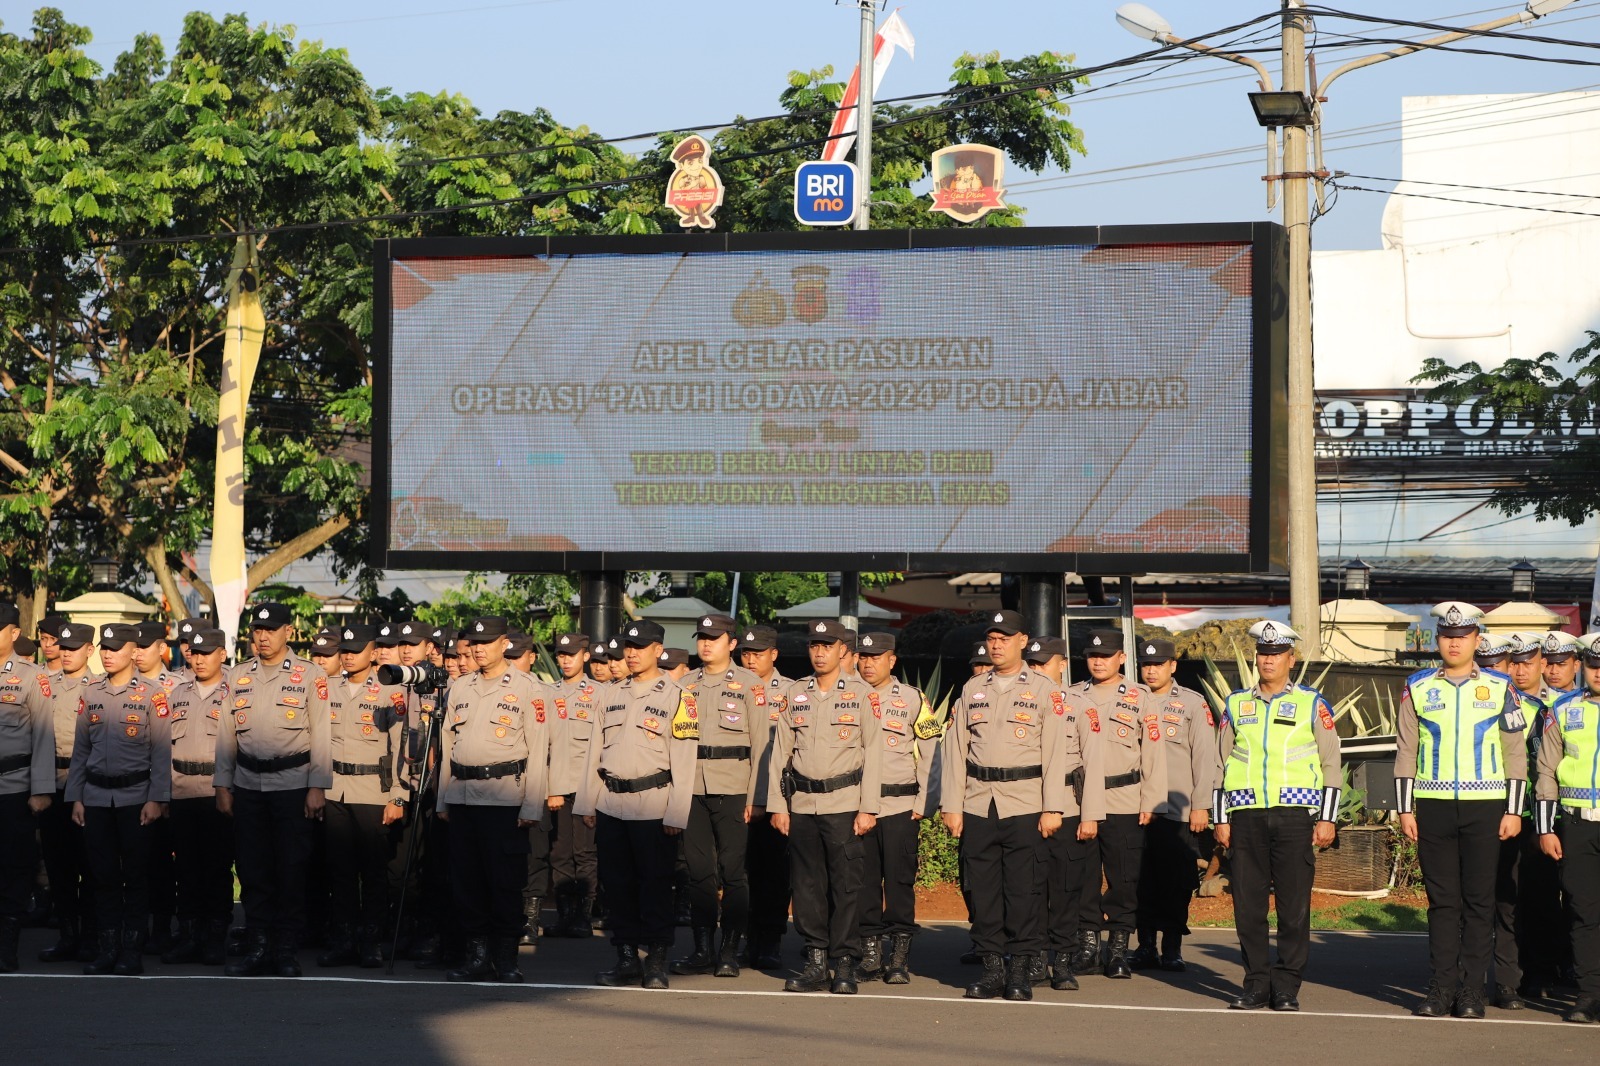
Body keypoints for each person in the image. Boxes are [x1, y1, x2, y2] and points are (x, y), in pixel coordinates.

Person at [1394, 602, 1528, 1019]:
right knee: (1441, 902)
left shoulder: (1502, 687)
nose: (1454, 642)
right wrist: (1404, 809)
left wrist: (1513, 810)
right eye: (1448, 636)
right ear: (1438, 640)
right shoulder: (1416, 686)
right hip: (1432, 805)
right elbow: (1405, 751)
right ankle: (1441, 988)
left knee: (1478, 901)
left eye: (1463, 635)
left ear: (1476, 640)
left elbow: (1515, 753)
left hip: (1486, 806)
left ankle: (1472, 991)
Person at [943, 611, 1079, 1000]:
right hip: (978, 802)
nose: (997, 644)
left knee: (1024, 892)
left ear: (1023, 640)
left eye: (1005, 637)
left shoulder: (1043, 689)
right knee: (983, 892)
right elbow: (956, 751)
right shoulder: (972, 689)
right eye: (992, 637)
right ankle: (991, 970)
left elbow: (1055, 754)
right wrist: (952, 804)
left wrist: (1054, 807)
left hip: (1025, 804)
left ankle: (1019, 971)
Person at [1214, 621, 1341, 1011]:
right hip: (1246, 816)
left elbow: (1331, 762)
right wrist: (1221, 818)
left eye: (1276, 653)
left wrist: (1328, 818)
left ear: (1291, 658)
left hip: (1295, 816)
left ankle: (1286, 986)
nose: (1268, 659)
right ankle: (1255, 984)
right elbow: (1219, 764)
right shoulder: (1236, 703)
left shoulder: (1311, 702)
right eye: (1263, 653)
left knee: (1293, 907)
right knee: (1248, 908)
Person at [575, 619, 697, 990]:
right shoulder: (609, 694)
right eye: (628, 645)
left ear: (658, 651)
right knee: (618, 885)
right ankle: (626, 958)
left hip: (654, 806)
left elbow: (685, 758)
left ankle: (656, 960)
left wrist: (677, 812)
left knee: (655, 886)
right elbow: (594, 750)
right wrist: (587, 802)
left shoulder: (678, 696)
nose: (631, 652)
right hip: (612, 803)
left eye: (640, 647)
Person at [214, 601, 333, 978]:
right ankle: (258, 946)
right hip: (248, 785)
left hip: (292, 785)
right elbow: (226, 736)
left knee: (291, 868)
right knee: (252, 869)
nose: (262, 637)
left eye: (271, 629)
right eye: (257, 630)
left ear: (288, 632)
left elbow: (322, 735)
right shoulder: (236, 676)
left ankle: (285, 950)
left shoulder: (309, 675)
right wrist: (222, 784)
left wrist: (317, 786)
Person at [768, 619, 882, 995]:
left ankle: (845, 964)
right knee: (806, 886)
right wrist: (777, 806)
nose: (819, 652)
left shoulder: (863, 695)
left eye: (827, 646)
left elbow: (875, 753)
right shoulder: (796, 693)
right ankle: (816, 961)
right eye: (814, 646)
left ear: (841, 652)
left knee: (846, 887)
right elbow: (779, 754)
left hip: (844, 805)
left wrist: (869, 808)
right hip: (801, 804)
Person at [436, 616, 551, 983]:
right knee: (467, 881)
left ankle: (506, 958)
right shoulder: (460, 687)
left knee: (504, 882)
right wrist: (442, 800)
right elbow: (447, 747)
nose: (479, 648)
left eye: (487, 641)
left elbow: (538, 748)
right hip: (463, 796)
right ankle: (477, 956)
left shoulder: (529, 688)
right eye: (474, 642)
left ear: (505, 644)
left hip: (505, 799)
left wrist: (532, 805)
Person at [67, 623, 172, 976]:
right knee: (103, 876)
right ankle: (107, 948)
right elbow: (81, 750)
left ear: (132, 650)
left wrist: (157, 798)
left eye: (115, 647)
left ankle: (131, 950)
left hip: (135, 798)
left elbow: (160, 753)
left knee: (137, 876)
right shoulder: (91, 692)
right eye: (104, 648)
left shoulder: (152, 694)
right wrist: (76, 796)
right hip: (96, 797)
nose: (108, 654)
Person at [1066, 628, 1166, 980]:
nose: (1098, 661)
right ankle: (1089, 947)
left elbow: (1153, 753)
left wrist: (1152, 801)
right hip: (1079, 802)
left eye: (1105, 655)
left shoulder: (1141, 697)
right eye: (1092, 656)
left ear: (1121, 658)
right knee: (1084, 877)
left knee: (1124, 879)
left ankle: (1119, 949)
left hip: (1125, 799)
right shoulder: (1072, 695)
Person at [673, 614, 766, 978]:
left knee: (733, 873)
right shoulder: (684, 684)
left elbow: (761, 745)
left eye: (715, 637)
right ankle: (702, 949)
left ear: (732, 643)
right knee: (698, 873)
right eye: (702, 637)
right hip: (693, 787)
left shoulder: (750, 685)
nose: (706, 643)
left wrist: (757, 798)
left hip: (733, 786)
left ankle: (730, 949)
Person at [318, 624, 408, 969]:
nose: (349, 655)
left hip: (373, 791)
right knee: (339, 871)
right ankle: (343, 939)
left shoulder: (391, 691)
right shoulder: (327, 688)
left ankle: (371, 941)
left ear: (374, 653)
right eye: (345, 649)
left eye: (357, 649)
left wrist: (398, 796)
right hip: (334, 788)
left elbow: (401, 748)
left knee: (372, 872)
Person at [855, 631, 941, 984]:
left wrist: (926, 802)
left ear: (892, 660)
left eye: (876, 656)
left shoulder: (912, 699)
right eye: (863, 656)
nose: (868, 662)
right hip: (857, 807)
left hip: (900, 805)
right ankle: (871, 956)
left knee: (900, 883)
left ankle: (899, 958)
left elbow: (933, 750)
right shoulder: (847, 696)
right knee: (863, 883)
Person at [1130, 637, 1218, 973]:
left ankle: (1172, 948)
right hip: (1137, 807)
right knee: (1141, 879)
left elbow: (1204, 758)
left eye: (1158, 664)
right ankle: (1146, 946)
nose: (1151, 670)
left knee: (1177, 881)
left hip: (1177, 809)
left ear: (1173, 666)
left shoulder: (1193, 704)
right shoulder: (1131, 700)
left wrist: (1201, 805)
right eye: (1146, 664)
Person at [1497, 631, 1565, 1005]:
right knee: (1506, 897)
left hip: (1543, 814)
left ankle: (1544, 969)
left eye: (1528, 662)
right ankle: (1514, 973)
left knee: (1541, 895)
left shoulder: (1560, 705)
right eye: (1515, 663)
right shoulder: (1498, 701)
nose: (1520, 670)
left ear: (1543, 664)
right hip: (1507, 813)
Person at [1535, 632, 1600, 1023]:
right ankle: (1590, 994)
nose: (1599, 673)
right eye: (1594, 666)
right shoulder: (1562, 709)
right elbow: (1545, 771)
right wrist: (1545, 828)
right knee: (1583, 912)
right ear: (1584, 668)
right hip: (1576, 824)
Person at [162, 627, 234, 966]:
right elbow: (162, 748)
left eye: (208, 653)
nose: (200, 659)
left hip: (216, 791)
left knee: (217, 869)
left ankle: (215, 938)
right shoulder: (177, 694)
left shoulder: (235, 691)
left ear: (222, 653)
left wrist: (228, 789)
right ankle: (190, 936)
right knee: (185, 869)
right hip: (181, 790)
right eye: (196, 653)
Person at [36, 621, 98, 964]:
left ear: (90, 650)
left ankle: (90, 937)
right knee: (58, 867)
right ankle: (67, 935)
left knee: (88, 866)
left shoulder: (99, 688)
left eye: (74, 648)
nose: (67, 653)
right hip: (51, 783)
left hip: (86, 787)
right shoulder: (44, 685)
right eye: (63, 647)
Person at [0, 602, 55, 973]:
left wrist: (41, 789)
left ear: (13, 633)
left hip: (14, 787)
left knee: (13, 869)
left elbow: (44, 736)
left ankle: (7, 945)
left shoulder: (32, 677)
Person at [740, 624, 791, 970]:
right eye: (745, 652)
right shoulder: (731, 688)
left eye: (758, 653)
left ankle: (770, 939)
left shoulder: (790, 692)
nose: (751, 659)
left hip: (774, 794)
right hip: (738, 791)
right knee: (740, 872)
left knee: (774, 871)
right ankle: (748, 938)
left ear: (773, 654)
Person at [545, 632, 599, 938]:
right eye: (561, 654)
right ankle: (565, 915)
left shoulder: (600, 693)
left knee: (585, 852)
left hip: (586, 786)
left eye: (572, 654)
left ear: (586, 656)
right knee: (560, 851)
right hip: (556, 787)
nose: (565, 659)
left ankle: (584, 916)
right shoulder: (547, 692)